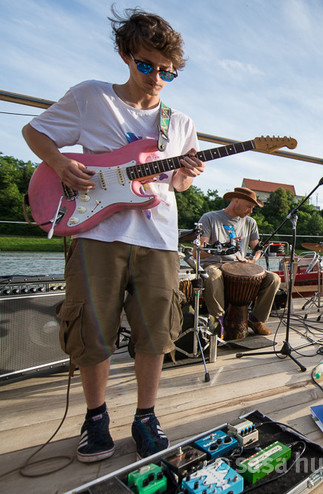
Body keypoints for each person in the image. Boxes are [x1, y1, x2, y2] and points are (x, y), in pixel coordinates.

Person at [21, 9, 206, 462]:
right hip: (96, 233)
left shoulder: (178, 123)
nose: (156, 77)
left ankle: (146, 416)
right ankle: (96, 417)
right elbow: (35, 131)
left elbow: (176, 185)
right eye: (147, 65)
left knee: (155, 332)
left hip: (159, 238)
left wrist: (188, 175)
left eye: (168, 71)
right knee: (91, 328)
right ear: (125, 55)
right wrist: (62, 164)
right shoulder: (90, 97)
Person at [198, 187, 280, 338]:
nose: (250, 211)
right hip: (216, 264)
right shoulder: (209, 218)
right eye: (249, 207)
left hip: (240, 266)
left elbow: (257, 249)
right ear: (235, 200)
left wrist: (251, 260)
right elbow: (200, 250)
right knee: (212, 274)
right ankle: (219, 320)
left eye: (253, 208)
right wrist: (222, 249)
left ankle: (256, 319)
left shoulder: (250, 222)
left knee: (274, 278)